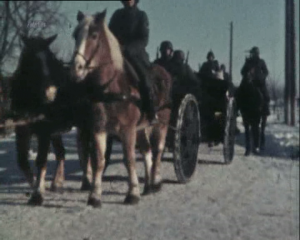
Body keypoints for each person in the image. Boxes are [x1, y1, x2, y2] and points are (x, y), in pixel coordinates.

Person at [109, 0, 157, 123]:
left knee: (143, 78)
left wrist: (128, 49)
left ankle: (150, 111)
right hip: (116, 53)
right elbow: (110, 33)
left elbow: (143, 39)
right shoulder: (117, 14)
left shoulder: (141, 15)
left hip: (135, 55)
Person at [240, 46, 270, 115]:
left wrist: (261, 77)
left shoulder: (261, 62)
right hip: (249, 82)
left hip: (259, 83)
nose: (253, 55)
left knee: (266, 96)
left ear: (257, 54)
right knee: (240, 91)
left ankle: (265, 110)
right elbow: (242, 71)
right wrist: (246, 75)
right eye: (252, 53)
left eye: (254, 53)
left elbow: (266, 72)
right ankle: (239, 108)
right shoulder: (248, 62)